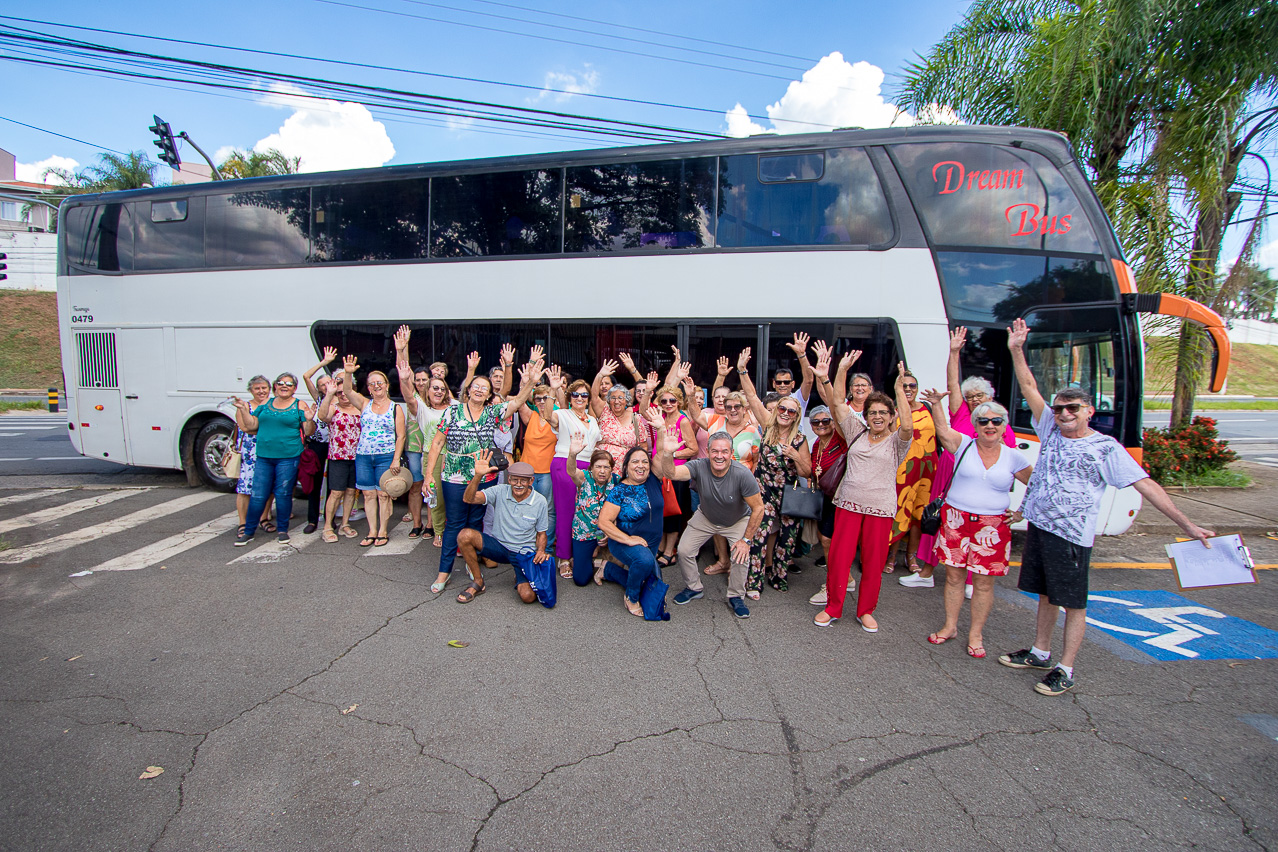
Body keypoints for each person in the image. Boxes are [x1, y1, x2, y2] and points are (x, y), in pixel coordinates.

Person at [998, 318, 1214, 695]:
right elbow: (1030, 385)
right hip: (1041, 527)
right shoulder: (1048, 426)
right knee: (1046, 594)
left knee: (1073, 602)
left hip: (1072, 537)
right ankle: (1039, 651)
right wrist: (1017, 349)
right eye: (1061, 407)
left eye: (1073, 408)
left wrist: (1188, 525)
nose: (1064, 414)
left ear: (1089, 411)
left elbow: (1147, 485)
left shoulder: (1105, 448)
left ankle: (1066, 668)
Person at [918, 388, 1032, 658]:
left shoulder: (1013, 457)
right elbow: (942, 429)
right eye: (983, 421)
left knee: (983, 583)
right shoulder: (964, 444)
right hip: (956, 520)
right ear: (976, 425)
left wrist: (1021, 512)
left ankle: (976, 634)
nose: (989, 426)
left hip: (992, 526)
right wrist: (936, 404)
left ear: (1005, 427)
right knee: (954, 578)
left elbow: (1037, 486)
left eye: (996, 421)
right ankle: (950, 626)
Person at [904, 326, 1018, 590]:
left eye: (980, 396)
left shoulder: (1002, 426)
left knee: (976, 528)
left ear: (990, 397)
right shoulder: (963, 415)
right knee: (936, 521)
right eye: (971, 397)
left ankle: (970, 580)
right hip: (949, 477)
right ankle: (926, 573)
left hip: (980, 484)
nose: (975, 400)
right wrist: (954, 352)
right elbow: (952, 383)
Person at [813, 355, 913, 631]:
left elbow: (907, 425)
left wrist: (898, 390)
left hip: (880, 509)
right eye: (873, 412)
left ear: (891, 416)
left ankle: (866, 610)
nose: (877, 416)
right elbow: (837, 404)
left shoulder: (897, 442)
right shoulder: (856, 432)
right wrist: (839, 371)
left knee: (872, 562)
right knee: (838, 558)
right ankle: (833, 607)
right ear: (866, 416)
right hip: (848, 504)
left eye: (883, 412)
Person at [426, 356, 538, 595]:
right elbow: (436, 444)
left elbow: (517, 402)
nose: (479, 390)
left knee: (475, 524)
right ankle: (443, 572)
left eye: (484, 388)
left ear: (489, 395)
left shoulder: (492, 413)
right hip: (454, 477)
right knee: (454, 525)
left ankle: (471, 564)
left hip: (483, 476)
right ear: (468, 390)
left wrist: (530, 383)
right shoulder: (452, 413)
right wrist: (428, 476)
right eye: (475, 386)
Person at [654, 424, 766, 619]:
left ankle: (736, 595)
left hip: (736, 520)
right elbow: (671, 474)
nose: (719, 456)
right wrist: (667, 454)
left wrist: (745, 541)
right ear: (709, 452)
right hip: (706, 516)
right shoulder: (700, 465)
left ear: (731, 453)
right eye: (714, 451)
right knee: (684, 550)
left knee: (740, 555)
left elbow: (759, 508)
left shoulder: (743, 474)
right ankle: (694, 587)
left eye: (724, 451)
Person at [736, 347, 812, 596]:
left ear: (796, 416)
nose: (785, 414)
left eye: (791, 411)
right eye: (782, 409)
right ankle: (754, 582)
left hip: (789, 493)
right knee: (758, 535)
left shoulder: (800, 440)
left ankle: (779, 577)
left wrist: (794, 456)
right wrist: (742, 370)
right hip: (764, 492)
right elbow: (753, 397)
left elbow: (807, 471)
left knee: (787, 538)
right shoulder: (767, 426)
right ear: (776, 410)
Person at [233, 372, 317, 545]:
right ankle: (248, 531)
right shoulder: (266, 403)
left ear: (294, 388)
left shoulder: (298, 404)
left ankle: (282, 530)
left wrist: (309, 420)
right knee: (258, 494)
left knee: (283, 493)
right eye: (280, 383)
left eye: (289, 384)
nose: (284, 386)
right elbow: (251, 426)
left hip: (288, 457)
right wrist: (242, 410)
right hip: (264, 456)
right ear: (275, 387)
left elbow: (308, 431)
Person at [454, 455, 550, 605]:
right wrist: (478, 476)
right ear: (509, 479)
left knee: (528, 597)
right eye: (515, 480)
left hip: (523, 553)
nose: (518, 484)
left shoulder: (540, 501)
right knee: (464, 535)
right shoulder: (500, 491)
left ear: (531, 481)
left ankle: (519, 576)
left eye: (523, 480)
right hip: (498, 547)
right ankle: (478, 582)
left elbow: (541, 533)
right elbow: (469, 499)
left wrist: (541, 551)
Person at [340, 357, 406, 548]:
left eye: (380, 383)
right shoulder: (363, 403)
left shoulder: (395, 408)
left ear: (387, 385)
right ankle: (372, 531)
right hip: (363, 456)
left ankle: (383, 531)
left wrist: (395, 460)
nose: (376, 386)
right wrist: (348, 373)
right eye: (372, 384)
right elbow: (346, 391)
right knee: (368, 495)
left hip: (386, 455)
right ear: (368, 388)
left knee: (383, 495)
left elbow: (400, 437)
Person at [395, 326, 450, 540]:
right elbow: (408, 394)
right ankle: (437, 531)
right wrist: (402, 351)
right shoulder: (423, 410)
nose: (437, 391)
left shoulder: (453, 407)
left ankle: (447, 529)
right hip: (431, 456)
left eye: (441, 388)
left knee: (450, 498)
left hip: (452, 457)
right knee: (434, 495)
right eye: (433, 388)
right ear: (427, 391)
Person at [596, 446, 665, 617]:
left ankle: (608, 570)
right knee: (644, 563)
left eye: (644, 461)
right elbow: (603, 522)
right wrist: (627, 539)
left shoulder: (654, 479)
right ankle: (631, 598)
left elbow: (663, 451)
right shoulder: (620, 491)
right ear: (626, 467)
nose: (640, 465)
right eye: (635, 461)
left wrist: (661, 430)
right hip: (623, 543)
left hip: (650, 543)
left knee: (647, 583)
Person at [547, 373, 603, 577]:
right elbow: (547, 416)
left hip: (588, 467)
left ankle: (580, 553)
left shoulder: (592, 420)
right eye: (575, 395)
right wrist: (553, 390)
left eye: (584, 395)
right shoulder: (562, 414)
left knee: (585, 510)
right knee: (565, 511)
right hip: (565, 463)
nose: (580, 399)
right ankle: (563, 557)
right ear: (569, 397)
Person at [885, 368, 936, 575]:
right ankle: (891, 555)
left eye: (912, 385)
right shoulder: (893, 410)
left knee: (919, 514)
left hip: (927, 470)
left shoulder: (928, 409)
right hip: (903, 470)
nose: (908, 389)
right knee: (899, 511)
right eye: (903, 385)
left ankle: (911, 555)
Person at [802, 397, 851, 605]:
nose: (821, 425)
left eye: (825, 421)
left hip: (840, 498)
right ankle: (845, 579)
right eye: (815, 422)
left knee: (830, 540)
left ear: (832, 423)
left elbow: (838, 411)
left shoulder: (840, 440)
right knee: (825, 538)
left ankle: (834, 584)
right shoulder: (816, 446)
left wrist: (825, 381)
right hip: (824, 498)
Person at [651, 383, 697, 567]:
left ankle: (670, 551)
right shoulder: (660, 418)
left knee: (673, 512)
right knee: (661, 511)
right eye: (664, 401)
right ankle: (661, 547)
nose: (668, 403)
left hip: (676, 473)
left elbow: (692, 449)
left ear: (678, 402)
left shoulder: (682, 421)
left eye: (672, 400)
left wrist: (671, 455)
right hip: (657, 473)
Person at [566, 433, 618, 587]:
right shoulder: (584, 477)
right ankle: (586, 557)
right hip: (584, 532)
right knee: (581, 579)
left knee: (618, 566)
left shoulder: (616, 481)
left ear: (611, 469)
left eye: (606, 467)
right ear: (591, 467)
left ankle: (601, 558)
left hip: (608, 532)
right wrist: (572, 454)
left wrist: (611, 532)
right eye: (598, 467)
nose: (602, 471)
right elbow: (571, 471)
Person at [317, 369, 361, 542]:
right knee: (335, 492)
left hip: (357, 457)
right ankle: (328, 526)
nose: (343, 395)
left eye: (346, 392)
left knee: (351, 492)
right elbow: (322, 417)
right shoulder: (333, 408)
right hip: (338, 457)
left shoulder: (360, 407)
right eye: (339, 393)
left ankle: (345, 524)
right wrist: (329, 395)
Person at [520, 381, 560, 556]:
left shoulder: (557, 418)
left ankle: (546, 547)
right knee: (524, 510)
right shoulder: (531, 416)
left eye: (545, 398)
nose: (542, 401)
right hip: (526, 473)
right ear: (534, 401)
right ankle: (526, 547)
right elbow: (520, 401)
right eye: (538, 399)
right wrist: (527, 380)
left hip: (547, 473)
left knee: (548, 511)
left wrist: (555, 389)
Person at [300, 350, 337, 535]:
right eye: (320, 385)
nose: (323, 387)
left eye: (326, 383)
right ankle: (312, 520)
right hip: (317, 444)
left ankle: (330, 520)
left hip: (335, 446)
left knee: (333, 484)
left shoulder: (341, 399)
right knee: (314, 483)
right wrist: (324, 362)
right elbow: (306, 376)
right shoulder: (319, 398)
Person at [232, 375, 274, 536]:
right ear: (251, 390)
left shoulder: (273, 405)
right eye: (257, 388)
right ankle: (243, 523)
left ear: (269, 389)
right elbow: (244, 427)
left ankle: (264, 518)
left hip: (271, 449)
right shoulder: (244, 406)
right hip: (251, 453)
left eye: (264, 388)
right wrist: (268, 429)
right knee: (245, 488)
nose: (261, 391)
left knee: (269, 487)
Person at [591, 359, 647, 465]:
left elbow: (643, 446)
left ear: (627, 400)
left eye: (621, 398)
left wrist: (633, 369)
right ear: (608, 400)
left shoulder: (635, 418)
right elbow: (594, 396)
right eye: (613, 398)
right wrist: (600, 375)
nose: (617, 401)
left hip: (627, 468)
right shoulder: (604, 412)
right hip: (603, 468)